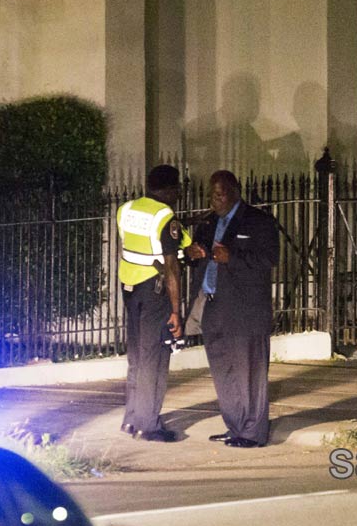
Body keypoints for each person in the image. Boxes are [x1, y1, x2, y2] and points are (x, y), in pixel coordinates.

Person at [185, 170, 279, 448]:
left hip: (245, 310)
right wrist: (193, 255)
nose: (215, 200)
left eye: (220, 194)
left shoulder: (259, 221)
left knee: (248, 372)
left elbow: (269, 259)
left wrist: (233, 256)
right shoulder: (208, 223)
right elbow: (198, 257)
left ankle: (252, 432)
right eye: (212, 195)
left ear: (236, 190)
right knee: (223, 371)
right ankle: (235, 426)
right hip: (213, 305)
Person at [116, 164, 184, 442]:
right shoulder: (166, 216)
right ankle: (149, 425)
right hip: (154, 291)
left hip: (129, 288)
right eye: (178, 188)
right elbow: (171, 267)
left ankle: (131, 419)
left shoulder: (126, 209)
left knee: (136, 357)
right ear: (170, 189)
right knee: (153, 359)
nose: (179, 193)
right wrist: (176, 311)